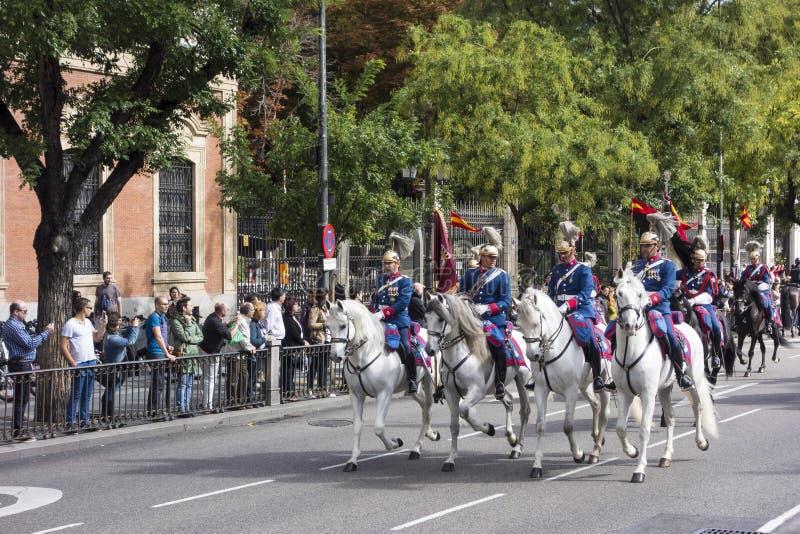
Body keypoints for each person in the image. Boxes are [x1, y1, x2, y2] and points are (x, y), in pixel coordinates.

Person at [548, 226, 610, 391]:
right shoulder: (556, 270)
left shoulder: (583, 269)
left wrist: (569, 305)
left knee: (589, 336)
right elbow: (551, 293)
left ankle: (597, 376)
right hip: (559, 309)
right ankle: (539, 374)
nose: (562, 256)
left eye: (565, 253)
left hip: (580, 310)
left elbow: (586, 293)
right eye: (560, 253)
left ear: (573, 250)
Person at [632, 231, 693, 389]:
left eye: (648, 246)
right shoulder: (636, 265)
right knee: (613, 330)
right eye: (642, 246)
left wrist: (650, 299)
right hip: (636, 308)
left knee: (670, 337)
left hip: (658, 308)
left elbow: (667, 289)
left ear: (656, 246)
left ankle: (681, 374)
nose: (644, 249)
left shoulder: (667, 265)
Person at [460, 232, 510, 399]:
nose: (493, 260)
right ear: (481, 257)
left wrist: (487, 308)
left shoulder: (501, 275)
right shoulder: (470, 274)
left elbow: (505, 301)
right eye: (489, 257)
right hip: (471, 318)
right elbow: (463, 293)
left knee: (499, 346)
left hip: (492, 319)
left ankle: (500, 382)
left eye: (494, 257)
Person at [3, 301, 54, 441]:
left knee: (23, 398)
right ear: (15, 312)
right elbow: (30, 344)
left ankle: (18, 428)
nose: (26, 313)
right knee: (21, 399)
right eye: (24, 311)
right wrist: (46, 333)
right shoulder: (14, 325)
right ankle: (18, 431)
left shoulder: (17, 324)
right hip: (20, 364)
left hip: (23, 363)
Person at [372, 248, 416, 394]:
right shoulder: (380, 280)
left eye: (390, 263)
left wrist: (384, 313)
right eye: (385, 263)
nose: (387, 266)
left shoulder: (405, 281)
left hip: (398, 319)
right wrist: (372, 312)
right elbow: (376, 299)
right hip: (380, 319)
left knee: (406, 345)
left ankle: (412, 379)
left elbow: (403, 303)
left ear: (397, 264)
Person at [61, 297, 107, 429]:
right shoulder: (70, 324)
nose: (91, 310)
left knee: (87, 394)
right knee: (76, 394)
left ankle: (84, 420)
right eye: (89, 308)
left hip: (91, 361)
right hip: (79, 363)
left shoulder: (88, 322)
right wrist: (73, 363)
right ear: (83, 308)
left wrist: (103, 325)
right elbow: (63, 346)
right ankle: (70, 422)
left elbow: (97, 338)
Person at [676, 249, 724, 369]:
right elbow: (671, 276)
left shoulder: (709, 274)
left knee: (716, 328)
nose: (701, 262)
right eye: (698, 260)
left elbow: (709, 295)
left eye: (702, 260)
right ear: (693, 260)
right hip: (685, 303)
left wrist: (695, 300)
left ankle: (715, 355)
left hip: (703, 304)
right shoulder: (685, 272)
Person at [198, 302, 239, 412]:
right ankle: (208, 405)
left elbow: (221, 329)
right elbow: (229, 335)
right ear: (223, 311)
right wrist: (237, 325)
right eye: (227, 309)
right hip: (210, 352)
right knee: (210, 379)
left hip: (205, 350)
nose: (228, 311)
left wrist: (230, 323)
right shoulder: (215, 320)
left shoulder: (212, 317)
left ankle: (205, 402)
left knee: (205, 378)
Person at [100, 312, 140, 424]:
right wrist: (135, 327)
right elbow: (130, 341)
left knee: (110, 391)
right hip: (114, 369)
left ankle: (106, 414)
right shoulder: (112, 338)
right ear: (113, 325)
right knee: (111, 392)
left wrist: (131, 326)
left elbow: (125, 333)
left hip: (118, 368)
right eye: (118, 323)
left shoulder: (114, 333)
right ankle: (108, 416)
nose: (120, 326)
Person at [170, 297, 203, 417]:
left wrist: (191, 339)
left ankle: (187, 407)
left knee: (189, 384)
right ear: (184, 308)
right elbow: (183, 337)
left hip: (193, 355)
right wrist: (188, 325)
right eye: (190, 305)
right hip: (184, 355)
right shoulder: (176, 322)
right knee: (182, 384)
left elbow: (200, 336)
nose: (192, 307)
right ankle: (181, 408)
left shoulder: (193, 320)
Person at [144, 296, 176, 416]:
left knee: (159, 383)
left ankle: (154, 409)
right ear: (157, 305)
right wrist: (167, 354)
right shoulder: (153, 317)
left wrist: (167, 346)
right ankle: (154, 411)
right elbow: (157, 336)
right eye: (163, 304)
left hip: (161, 352)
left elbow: (162, 336)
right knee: (157, 383)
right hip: (155, 353)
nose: (166, 306)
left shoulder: (163, 317)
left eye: (167, 304)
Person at [740, 242, 779, 334]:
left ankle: (769, 323)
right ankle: (738, 323)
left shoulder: (763, 268)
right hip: (750, 290)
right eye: (751, 259)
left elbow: (766, 280)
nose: (752, 261)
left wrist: (754, 283)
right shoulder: (748, 268)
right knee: (739, 302)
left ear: (758, 258)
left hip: (761, 289)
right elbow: (743, 278)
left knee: (767, 304)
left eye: (754, 259)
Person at [225, 302, 257, 404]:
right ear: (248, 311)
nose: (254, 311)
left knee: (244, 376)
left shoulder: (246, 320)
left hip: (242, 353)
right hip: (235, 352)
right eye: (252, 310)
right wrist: (250, 347)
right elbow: (243, 338)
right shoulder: (241, 321)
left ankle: (242, 400)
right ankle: (232, 401)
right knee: (233, 378)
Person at [282, 296, 308, 401]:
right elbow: (293, 333)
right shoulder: (286, 318)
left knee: (292, 372)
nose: (298, 306)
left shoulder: (295, 317)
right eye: (296, 304)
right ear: (290, 306)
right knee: (288, 372)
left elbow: (300, 331)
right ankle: (288, 393)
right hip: (289, 348)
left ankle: (290, 392)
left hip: (296, 348)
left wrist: (305, 340)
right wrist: (302, 342)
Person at [307, 288, 330, 396]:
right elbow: (311, 324)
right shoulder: (315, 309)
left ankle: (322, 387)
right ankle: (310, 387)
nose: (328, 298)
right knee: (315, 365)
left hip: (326, 339)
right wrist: (323, 325)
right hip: (318, 339)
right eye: (327, 296)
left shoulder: (326, 308)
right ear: (323, 297)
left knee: (324, 365)